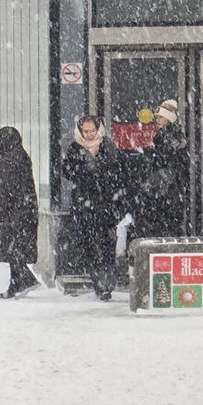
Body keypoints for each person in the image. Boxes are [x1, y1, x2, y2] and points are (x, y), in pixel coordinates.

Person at [62, 115, 124, 301]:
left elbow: (117, 173)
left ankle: (107, 284)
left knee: (107, 246)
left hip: (106, 205)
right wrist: (84, 167)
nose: (89, 135)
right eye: (85, 131)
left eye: (92, 131)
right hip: (84, 206)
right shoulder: (74, 149)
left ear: (99, 130)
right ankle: (98, 282)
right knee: (89, 245)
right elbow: (67, 171)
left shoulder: (108, 146)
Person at [0, 126, 40, 299]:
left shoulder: (9, 162)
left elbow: (4, 191)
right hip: (24, 210)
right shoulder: (19, 156)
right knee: (15, 249)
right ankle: (17, 283)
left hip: (13, 213)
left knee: (13, 249)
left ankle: (22, 281)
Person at [132, 99, 188, 240]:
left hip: (166, 190)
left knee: (165, 226)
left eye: (160, 117)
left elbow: (166, 159)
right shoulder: (169, 135)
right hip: (168, 190)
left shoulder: (170, 136)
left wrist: (149, 155)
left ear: (168, 119)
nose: (157, 119)